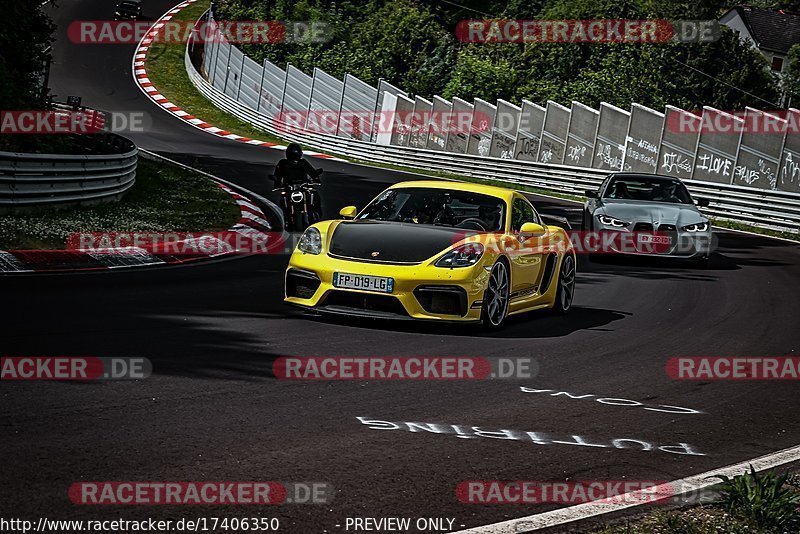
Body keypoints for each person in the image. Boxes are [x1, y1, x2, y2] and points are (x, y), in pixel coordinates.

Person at [273, 143, 323, 225]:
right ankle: (286, 216)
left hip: (303, 186)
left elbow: (312, 172)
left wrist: (316, 178)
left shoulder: (303, 163)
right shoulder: (283, 163)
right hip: (289, 187)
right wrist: (277, 183)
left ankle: (316, 212)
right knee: (283, 198)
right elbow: (277, 175)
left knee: (314, 195)